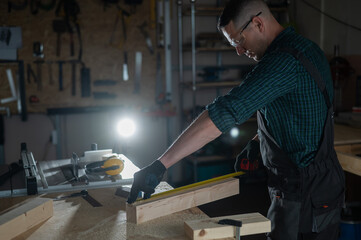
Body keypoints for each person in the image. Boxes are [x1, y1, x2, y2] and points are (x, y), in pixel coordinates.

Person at [127, 0, 345, 239]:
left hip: (306, 193)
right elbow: (294, 112)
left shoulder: (282, 63)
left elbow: (224, 112)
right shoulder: (305, 48)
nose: (239, 51)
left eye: (239, 41)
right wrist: (257, 141)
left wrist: (161, 165)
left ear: (258, 23)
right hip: (311, 186)